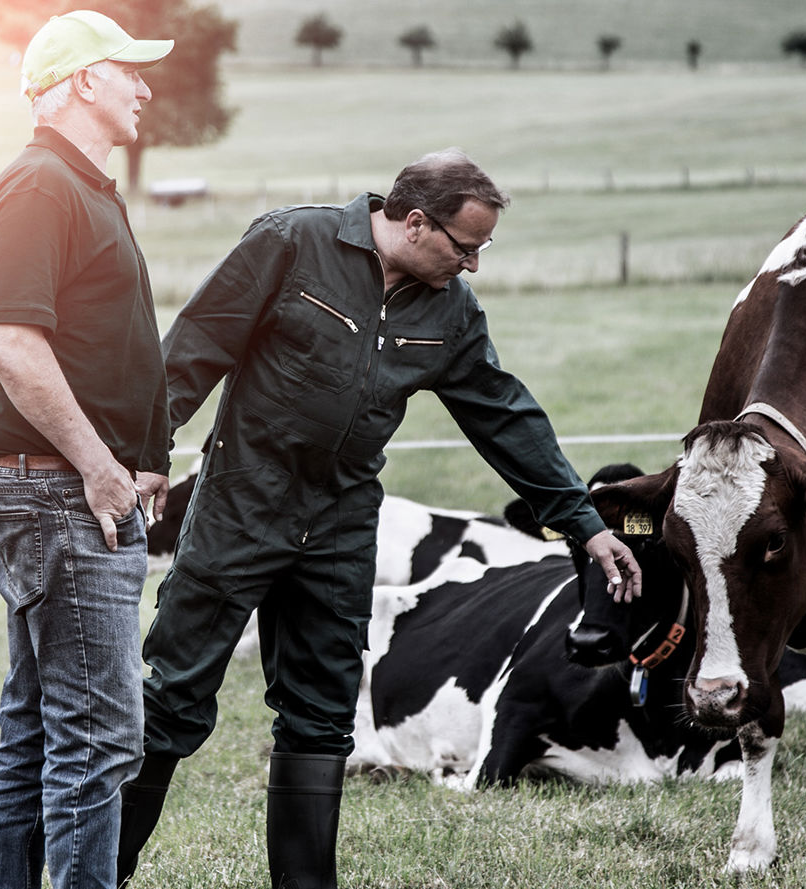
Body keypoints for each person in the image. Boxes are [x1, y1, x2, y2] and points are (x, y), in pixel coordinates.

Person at [117, 149, 643, 888]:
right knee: (174, 697)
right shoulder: (292, 243)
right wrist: (147, 451)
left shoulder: (450, 311)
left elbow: (504, 415)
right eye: (465, 247)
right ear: (416, 221)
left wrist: (584, 523)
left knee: (321, 716)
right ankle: (98, 873)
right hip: (241, 504)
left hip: (339, 525)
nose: (474, 265)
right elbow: (194, 347)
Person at [0, 11, 174, 889]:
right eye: (129, 70)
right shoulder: (41, 186)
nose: (145, 87)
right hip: (61, 492)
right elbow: (12, 343)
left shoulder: (84, 186)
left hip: (71, 485)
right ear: (85, 80)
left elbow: (105, 339)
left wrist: (145, 449)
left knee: (41, 724)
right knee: (96, 734)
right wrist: (100, 463)